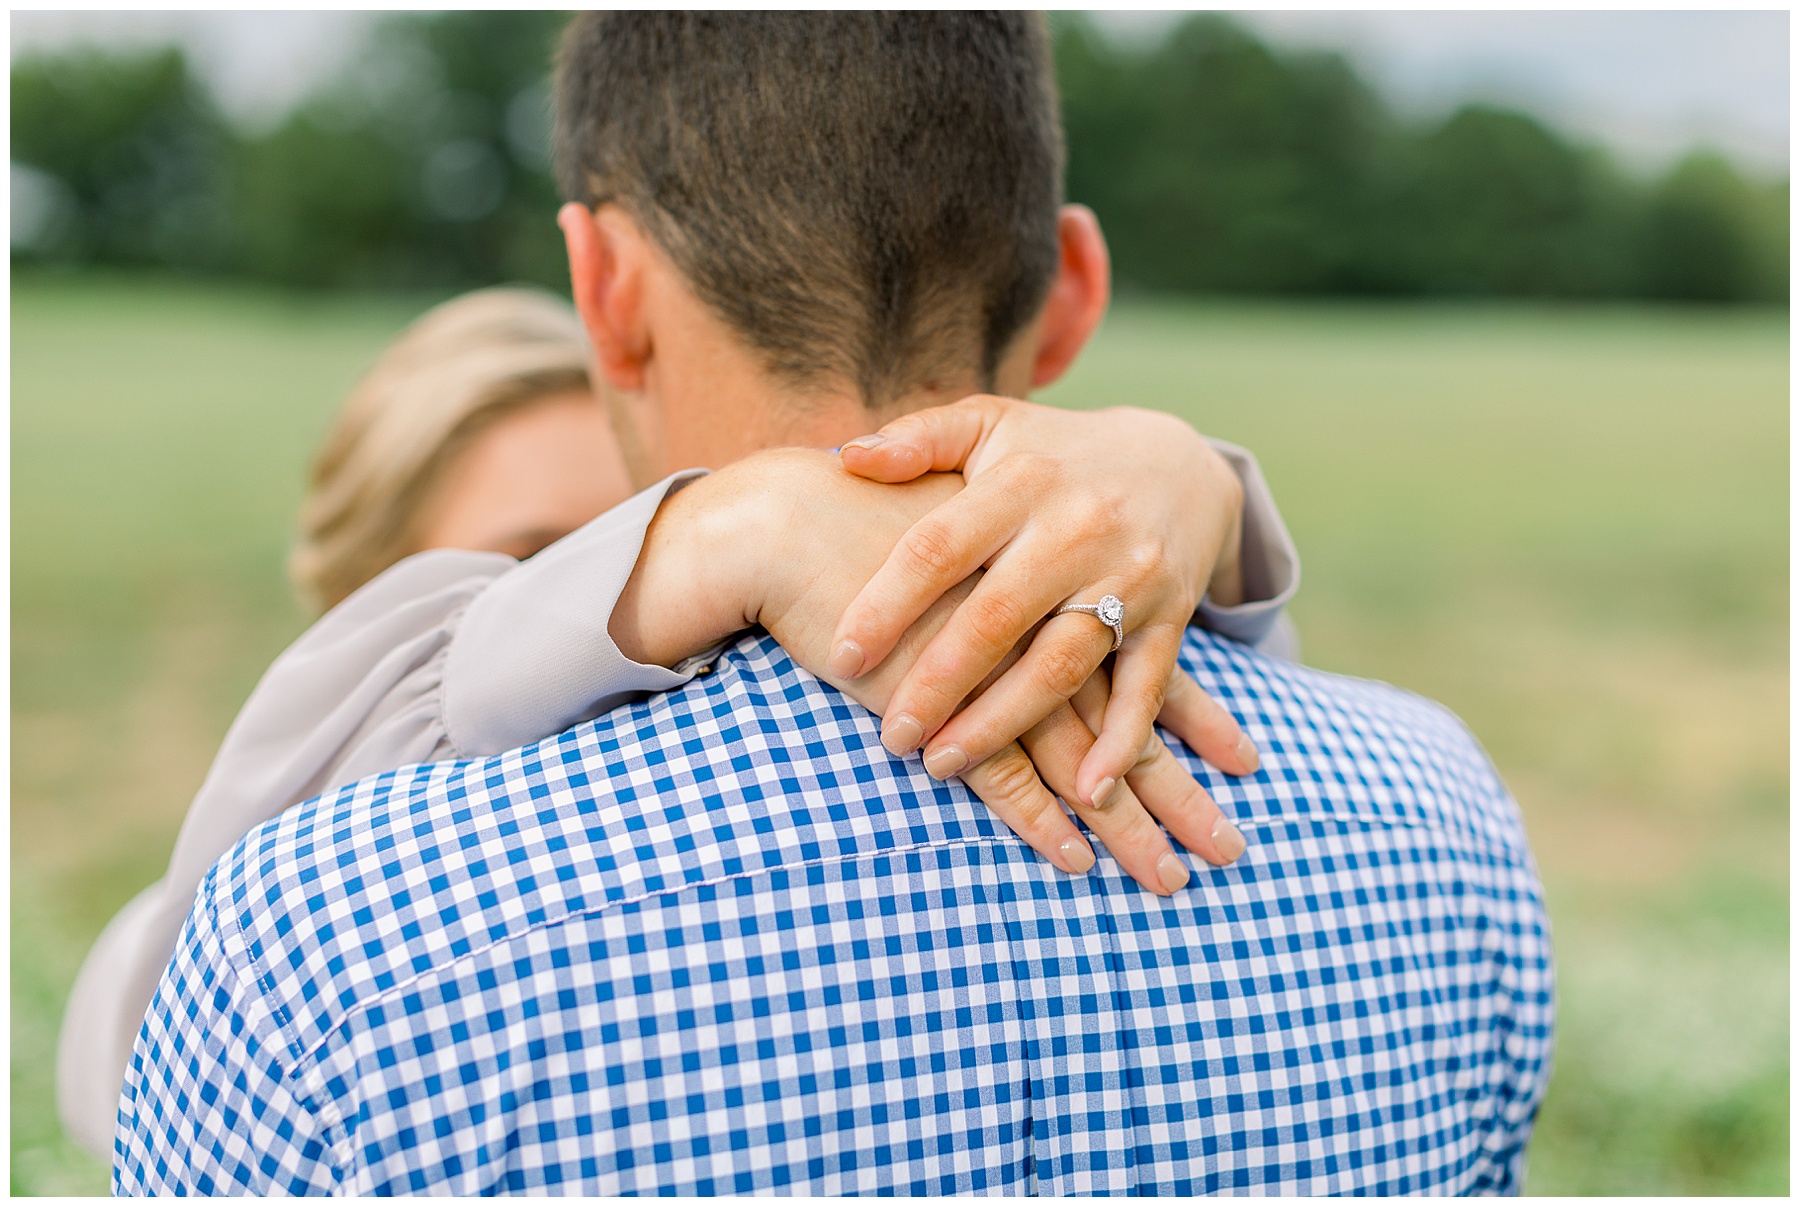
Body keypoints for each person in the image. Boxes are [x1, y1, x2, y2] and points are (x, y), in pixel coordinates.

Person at [114, 12, 1551, 1194]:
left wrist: (690, 535)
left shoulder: (344, 939)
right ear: (1071, 292)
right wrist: (1207, 489)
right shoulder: (1443, 816)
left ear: (603, 287)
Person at [60, 253, 1299, 1150]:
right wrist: (726, 527)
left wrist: (1191, 488)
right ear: (373, 608)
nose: (649, 624)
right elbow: (150, 1026)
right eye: (560, 566)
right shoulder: (286, 909)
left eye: (651, 529)